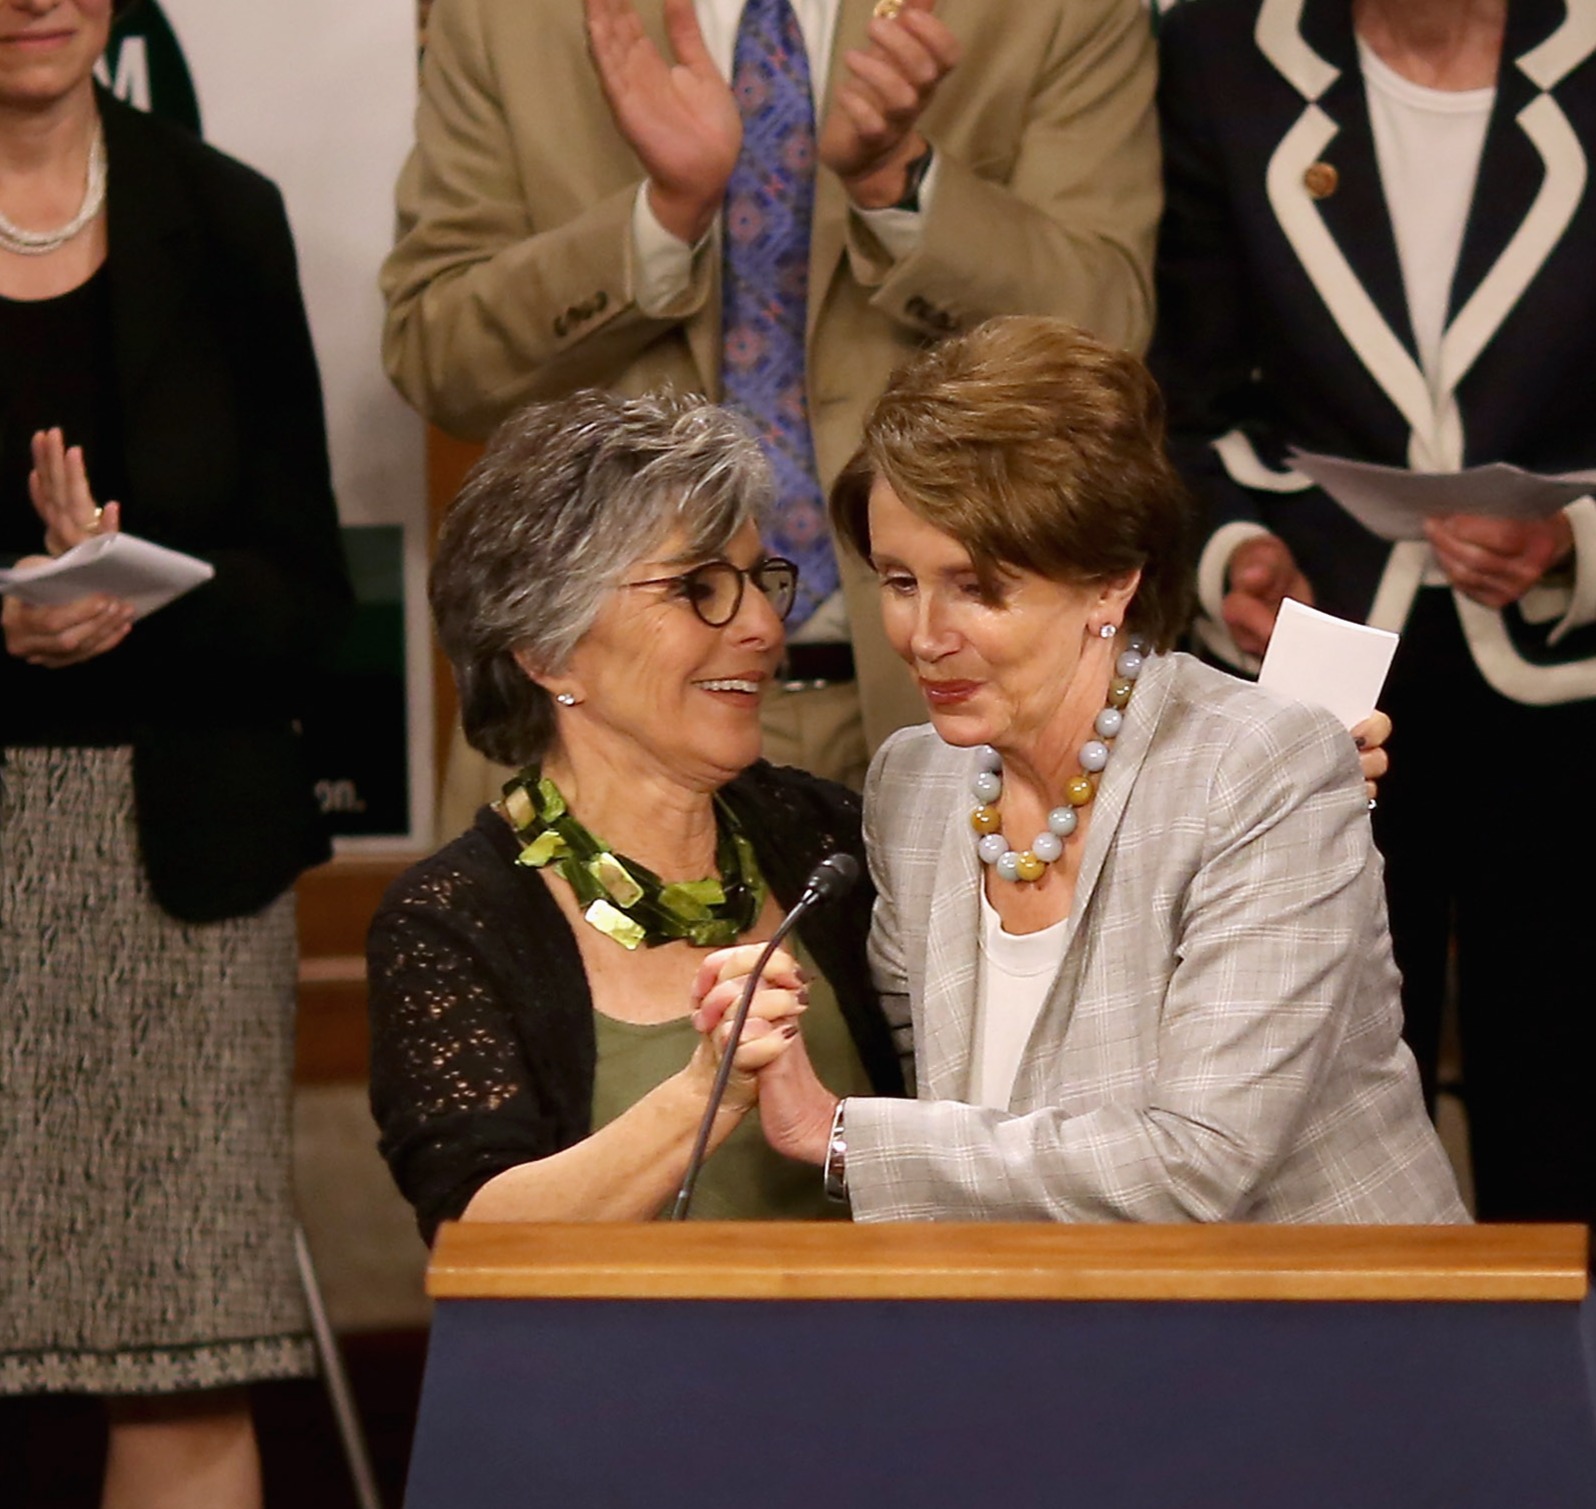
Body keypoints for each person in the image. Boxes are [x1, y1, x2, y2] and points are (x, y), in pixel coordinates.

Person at [698, 315, 1467, 1225]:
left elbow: (1199, 1166)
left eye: (979, 587)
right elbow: (949, 1118)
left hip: (1327, 1332)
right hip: (1055, 1326)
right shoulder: (916, 786)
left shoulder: (1260, 768)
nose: (924, 635)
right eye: (901, 581)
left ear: (1113, 580)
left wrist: (838, 1135)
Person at [381, 0, 1160, 818]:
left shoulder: (1059, 12)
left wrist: (900, 184)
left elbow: (1106, 336)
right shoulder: (504, 17)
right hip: (607, 720)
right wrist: (659, 221)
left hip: (956, 702)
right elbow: (439, 358)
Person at [0, 3, 352, 1509]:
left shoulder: (221, 214)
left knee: (183, 1354)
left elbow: (310, 595)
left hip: (182, 871)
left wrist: (137, 593)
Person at [1149, 0, 1596, 1224]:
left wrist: (1575, 543)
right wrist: (1232, 552)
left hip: (1573, 705)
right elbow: (1182, 398)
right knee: (1317, 1122)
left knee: (1565, 1128)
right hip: (1321, 690)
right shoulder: (1219, 54)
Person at [366, 389, 903, 1243]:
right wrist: (706, 1091)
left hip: (890, 1348)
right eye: (699, 588)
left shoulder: (831, 838)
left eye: (761, 580)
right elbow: (479, 1236)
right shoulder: (452, 922)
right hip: (623, 1371)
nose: (765, 625)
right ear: (547, 650)